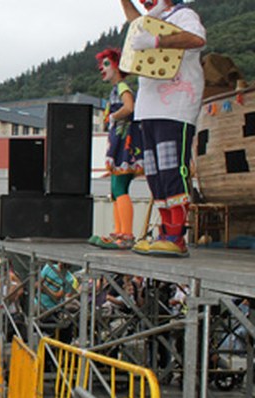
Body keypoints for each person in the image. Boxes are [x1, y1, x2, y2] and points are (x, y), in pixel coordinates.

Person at [119, 0, 206, 256]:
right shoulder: (152, 18)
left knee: (172, 170)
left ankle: (177, 235)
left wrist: (157, 42)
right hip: (149, 108)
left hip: (175, 106)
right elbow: (134, 22)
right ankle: (166, 231)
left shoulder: (184, 14)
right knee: (155, 175)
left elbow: (197, 39)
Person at [88, 47, 143, 250]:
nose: (102, 69)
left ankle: (126, 234)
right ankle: (119, 231)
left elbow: (129, 107)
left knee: (120, 187)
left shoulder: (122, 87)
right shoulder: (115, 89)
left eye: (106, 64)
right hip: (119, 142)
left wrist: (113, 116)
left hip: (125, 143)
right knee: (115, 189)